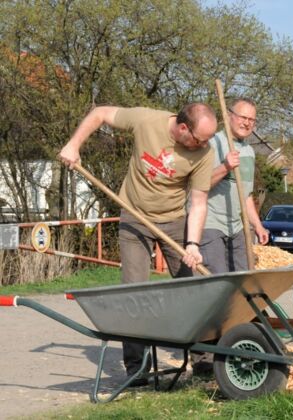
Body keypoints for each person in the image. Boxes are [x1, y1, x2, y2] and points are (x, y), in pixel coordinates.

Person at [59, 103, 217, 386]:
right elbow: (100, 114)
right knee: (134, 292)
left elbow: (199, 202)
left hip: (174, 221)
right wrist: (73, 145)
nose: (204, 144)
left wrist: (192, 243)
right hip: (134, 217)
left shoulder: (204, 153)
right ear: (183, 128)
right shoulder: (146, 121)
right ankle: (137, 367)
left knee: (193, 290)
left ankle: (205, 363)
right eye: (200, 138)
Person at [200, 98, 269, 273]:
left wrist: (258, 225)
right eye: (243, 117)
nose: (247, 123)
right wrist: (225, 167)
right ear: (229, 115)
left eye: (251, 120)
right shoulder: (212, 143)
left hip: (237, 227)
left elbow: (245, 196)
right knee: (218, 279)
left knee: (244, 277)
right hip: (211, 224)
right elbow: (199, 186)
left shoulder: (249, 152)